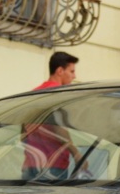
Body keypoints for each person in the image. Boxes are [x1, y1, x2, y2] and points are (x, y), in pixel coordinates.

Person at [23, 51, 81, 180]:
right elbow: (59, 128)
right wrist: (77, 155)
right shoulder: (59, 95)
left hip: (30, 165)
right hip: (53, 166)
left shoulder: (33, 94)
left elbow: (23, 132)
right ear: (60, 71)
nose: (74, 76)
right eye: (71, 71)